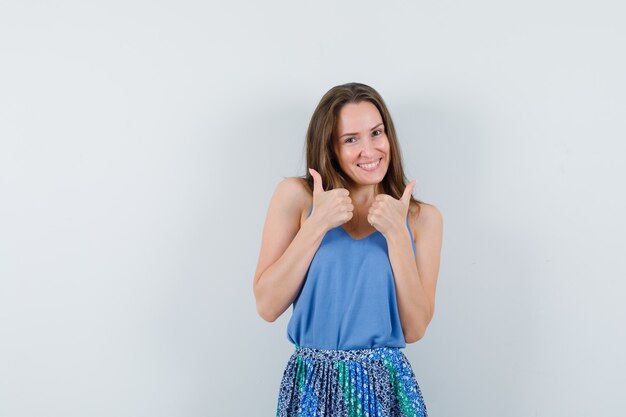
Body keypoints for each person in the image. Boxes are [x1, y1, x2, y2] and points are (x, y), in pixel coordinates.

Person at [253, 82, 443, 417]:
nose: (369, 150)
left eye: (376, 133)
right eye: (351, 139)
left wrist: (397, 235)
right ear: (331, 148)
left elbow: (414, 329)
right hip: (312, 386)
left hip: (386, 388)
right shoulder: (295, 197)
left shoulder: (422, 218)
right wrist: (317, 224)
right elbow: (267, 305)